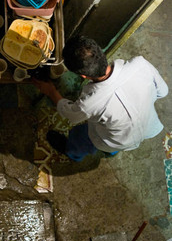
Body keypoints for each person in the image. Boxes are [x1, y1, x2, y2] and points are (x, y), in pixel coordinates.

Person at [33, 35, 168, 162]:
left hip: (111, 139)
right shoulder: (140, 64)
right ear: (101, 52)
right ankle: (112, 151)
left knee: (81, 136)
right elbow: (163, 91)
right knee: (117, 138)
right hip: (149, 127)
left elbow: (71, 115)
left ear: (83, 76)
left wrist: (51, 91)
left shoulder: (90, 103)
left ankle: (73, 153)